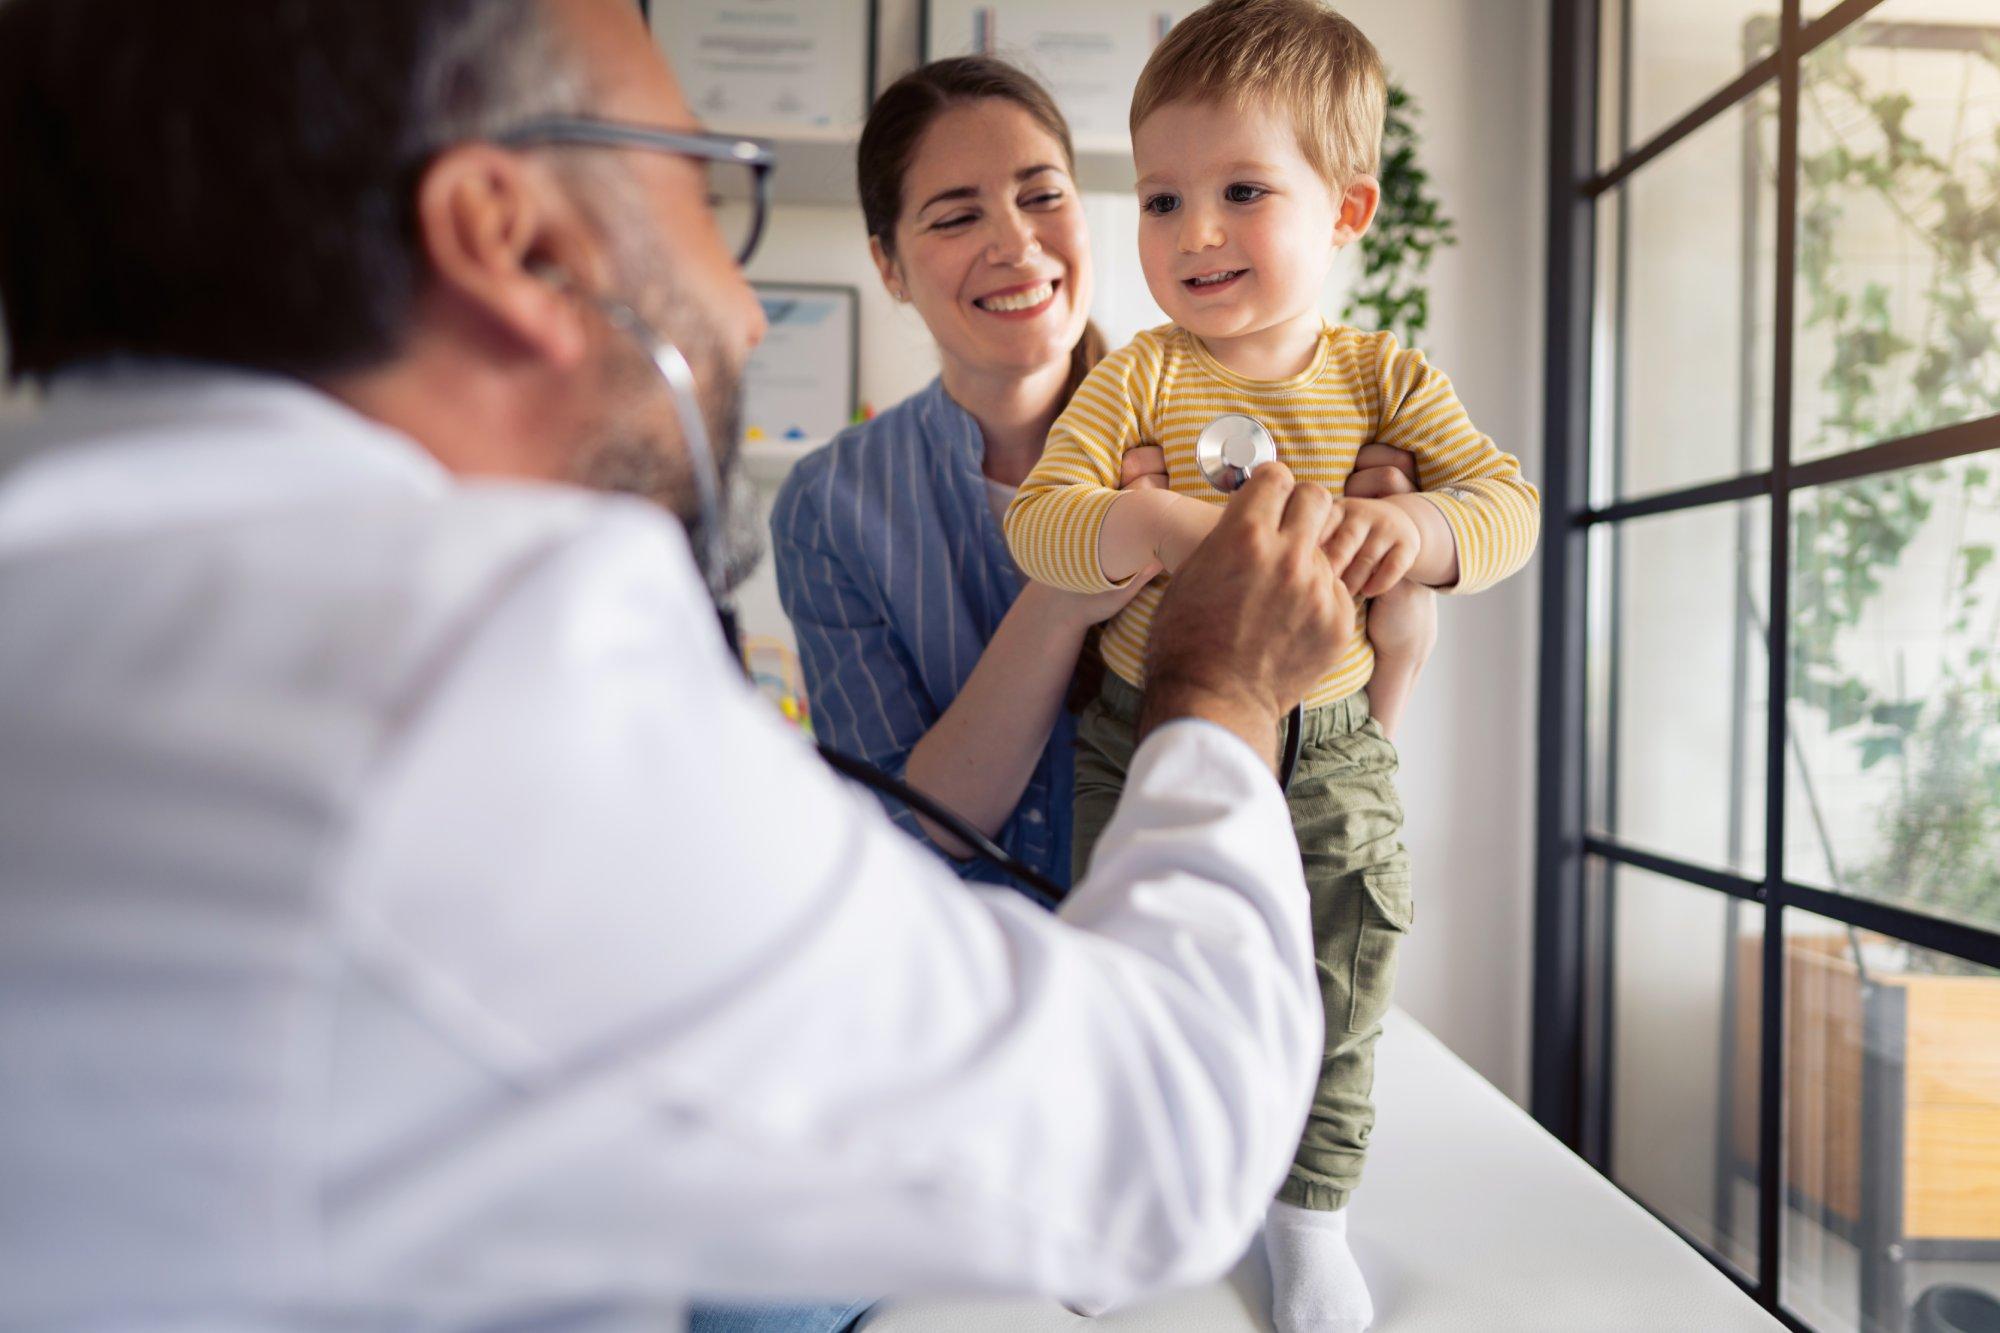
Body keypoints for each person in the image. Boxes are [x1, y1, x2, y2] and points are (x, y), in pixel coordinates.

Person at [0, 0, 1364, 1328]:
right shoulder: (489, 662)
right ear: (505, 237)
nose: (745, 311)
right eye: (708, 200)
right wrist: (1220, 681)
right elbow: (1149, 1144)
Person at [1004, 3, 1543, 1330]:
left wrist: (1416, 528)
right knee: (1126, 967)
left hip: (1331, 743)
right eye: (1167, 196)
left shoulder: (1383, 379)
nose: (1195, 232)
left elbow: (1507, 508)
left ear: (1348, 207)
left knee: (1340, 971)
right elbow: (1041, 523)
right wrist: (1149, 524)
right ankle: (1119, 1191)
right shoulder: (1136, 379)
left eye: (1243, 190)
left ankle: (1309, 1215)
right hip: (1141, 730)